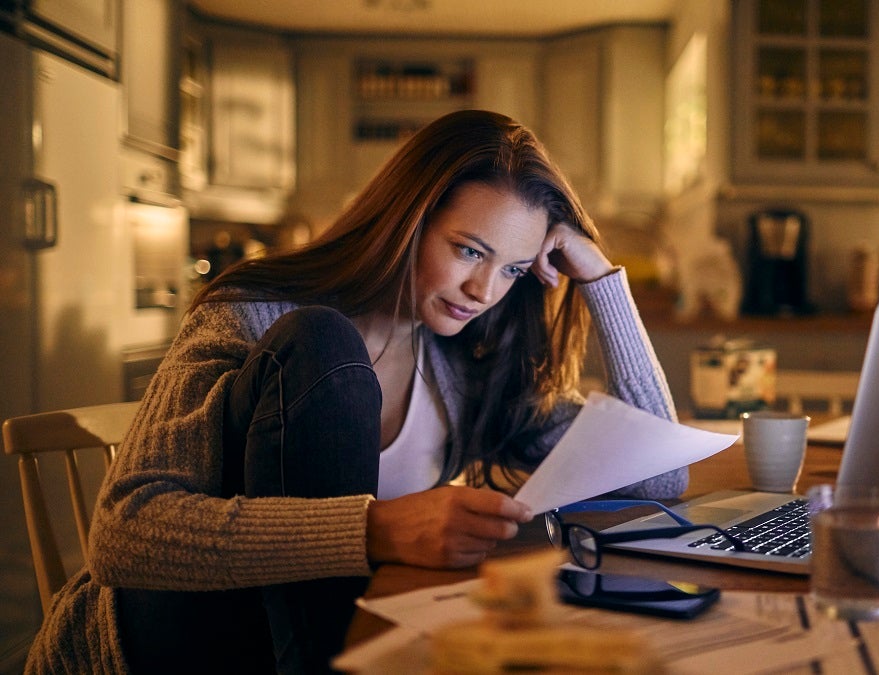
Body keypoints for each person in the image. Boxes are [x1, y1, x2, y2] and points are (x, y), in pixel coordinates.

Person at [25, 109, 686, 674]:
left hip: (310, 647)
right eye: (468, 250)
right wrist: (374, 528)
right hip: (161, 641)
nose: (484, 292)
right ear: (408, 220)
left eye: (513, 268)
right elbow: (123, 534)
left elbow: (659, 474)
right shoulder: (256, 313)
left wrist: (601, 279)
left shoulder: (465, 368)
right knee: (323, 342)